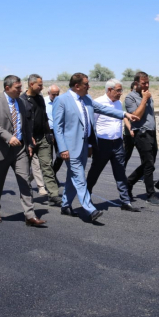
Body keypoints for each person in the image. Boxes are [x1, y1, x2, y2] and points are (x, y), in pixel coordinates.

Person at [52, 72, 138, 222]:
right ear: (77, 86)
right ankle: (89, 209)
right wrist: (62, 149)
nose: (89, 86)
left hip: (84, 146)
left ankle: (65, 205)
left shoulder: (87, 99)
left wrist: (124, 114)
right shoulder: (62, 100)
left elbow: (104, 109)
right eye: (86, 84)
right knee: (79, 178)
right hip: (70, 148)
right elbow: (58, 127)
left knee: (72, 178)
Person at [0, 75, 47, 227]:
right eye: (18, 88)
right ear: (7, 88)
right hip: (1, 149)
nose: (21, 90)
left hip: (20, 149)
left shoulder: (21, 101)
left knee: (25, 181)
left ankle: (30, 215)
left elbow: (26, 124)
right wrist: (8, 137)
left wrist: (29, 144)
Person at [86, 79, 140, 212]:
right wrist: (90, 145)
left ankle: (125, 202)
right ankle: (86, 198)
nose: (121, 93)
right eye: (118, 90)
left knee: (120, 173)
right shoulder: (98, 102)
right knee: (95, 172)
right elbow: (91, 125)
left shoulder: (119, 103)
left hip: (117, 144)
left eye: (121, 90)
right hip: (102, 144)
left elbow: (121, 120)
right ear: (109, 90)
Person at [19, 74, 63, 206]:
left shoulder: (40, 99)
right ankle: (27, 195)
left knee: (47, 166)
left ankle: (53, 195)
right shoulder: (21, 100)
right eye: (39, 85)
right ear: (31, 84)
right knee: (25, 169)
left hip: (43, 137)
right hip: (28, 139)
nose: (42, 88)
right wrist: (28, 137)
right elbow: (20, 122)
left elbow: (44, 117)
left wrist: (49, 134)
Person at [126, 72, 159, 206]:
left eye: (147, 83)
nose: (146, 85)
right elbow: (136, 116)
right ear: (136, 83)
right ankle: (150, 194)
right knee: (148, 164)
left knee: (149, 163)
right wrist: (144, 99)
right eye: (143, 83)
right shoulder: (130, 98)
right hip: (141, 133)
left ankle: (128, 182)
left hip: (151, 133)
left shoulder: (148, 95)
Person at [44, 84, 64, 174]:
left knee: (60, 155)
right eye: (53, 94)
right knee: (48, 157)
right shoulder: (43, 102)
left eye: (57, 94)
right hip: (47, 131)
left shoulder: (62, 102)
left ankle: (52, 174)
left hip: (59, 131)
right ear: (48, 93)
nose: (55, 96)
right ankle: (51, 179)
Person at [123, 80, 137, 167]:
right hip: (129, 133)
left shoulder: (140, 101)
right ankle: (121, 171)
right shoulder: (126, 101)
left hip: (139, 132)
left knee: (146, 155)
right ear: (131, 90)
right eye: (135, 90)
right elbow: (125, 118)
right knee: (126, 154)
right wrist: (130, 129)